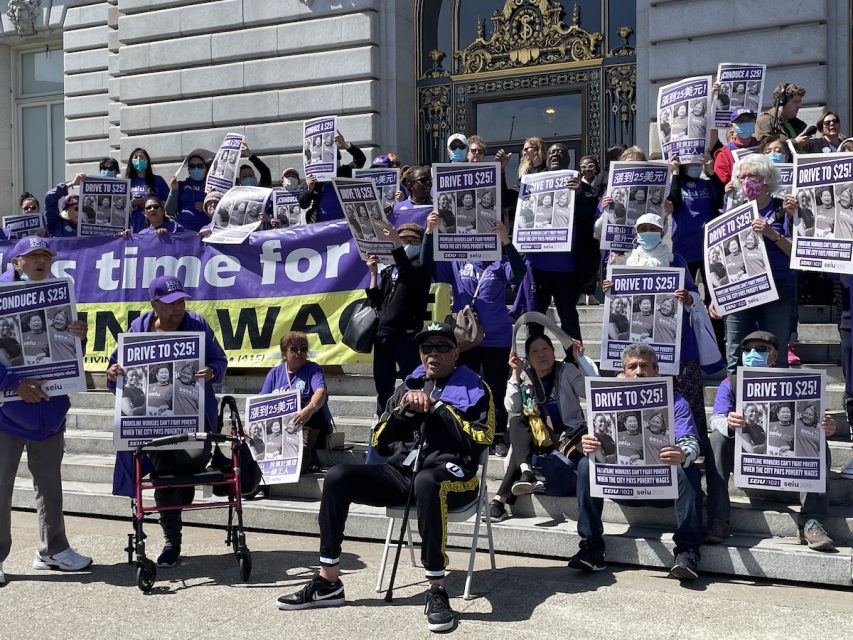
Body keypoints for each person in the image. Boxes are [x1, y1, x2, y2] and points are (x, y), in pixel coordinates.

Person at [276, 321, 494, 634]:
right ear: (419, 354)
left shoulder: (476, 387)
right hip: (403, 472)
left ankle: (436, 589)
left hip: (455, 475)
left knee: (427, 481)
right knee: (338, 476)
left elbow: (481, 439)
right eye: (427, 348)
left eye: (442, 347)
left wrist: (439, 410)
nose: (433, 353)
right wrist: (402, 412)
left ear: (455, 352)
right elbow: (379, 442)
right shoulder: (407, 386)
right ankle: (328, 581)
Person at [106, 275, 227, 568]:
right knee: (166, 476)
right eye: (171, 304)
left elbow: (219, 361)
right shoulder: (137, 329)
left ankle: (177, 502)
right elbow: (114, 372)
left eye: (182, 302)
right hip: (153, 426)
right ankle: (172, 541)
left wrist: (211, 371)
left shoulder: (197, 324)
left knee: (182, 474)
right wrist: (114, 373)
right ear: (154, 304)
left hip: (194, 421)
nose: (178, 309)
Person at [0, 237, 92, 586]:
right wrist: (11, 382)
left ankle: (52, 550)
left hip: (50, 408)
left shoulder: (61, 295)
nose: (40, 260)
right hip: (8, 410)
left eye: (45, 255)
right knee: (0, 486)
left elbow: (71, 355)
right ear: (16, 262)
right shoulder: (1, 297)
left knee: (50, 485)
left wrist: (79, 336)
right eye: (32, 256)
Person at [569, 342, 703, 580]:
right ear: (623, 371)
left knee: (689, 468)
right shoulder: (606, 399)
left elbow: (691, 440)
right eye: (632, 366)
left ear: (656, 371)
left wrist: (682, 452)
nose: (638, 372)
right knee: (584, 464)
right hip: (621, 485)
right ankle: (591, 547)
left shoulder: (676, 401)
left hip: (663, 489)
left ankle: (687, 551)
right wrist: (587, 445)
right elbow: (596, 442)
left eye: (644, 366)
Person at [706, 330, 837, 551]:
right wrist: (727, 422)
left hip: (787, 461)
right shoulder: (731, 383)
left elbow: (812, 420)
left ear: (775, 357)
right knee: (717, 438)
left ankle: (812, 520)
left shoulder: (795, 383)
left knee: (818, 441)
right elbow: (715, 419)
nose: (752, 354)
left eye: (760, 350)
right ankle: (718, 519)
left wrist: (827, 426)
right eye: (747, 350)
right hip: (748, 456)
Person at [422, 212, 524, 457]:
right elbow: (427, 266)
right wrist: (429, 232)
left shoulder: (499, 261)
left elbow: (519, 275)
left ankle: (497, 435)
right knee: (465, 386)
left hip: (497, 337)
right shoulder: (457, 260)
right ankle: (466, 431)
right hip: (465, 339)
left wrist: (506, 241)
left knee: (495, 388)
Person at [486, 334, 585, 522]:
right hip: (539, 436)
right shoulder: (525, 375)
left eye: (545, 349)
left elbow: (588, 391)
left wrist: (582, 362)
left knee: (519, 442)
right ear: (528, 358)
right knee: (517, 421)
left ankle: (501, 499)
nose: (541, 355)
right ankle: (526, 473)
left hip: (568, 436)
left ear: (553, 351)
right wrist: (515, 373)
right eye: (535, 352)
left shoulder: (567, 370)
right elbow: (512, 407)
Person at [714, 154, 798, 375]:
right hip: (740, 290)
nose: (746, 181)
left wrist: (772, 234)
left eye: (752, 176)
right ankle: (734, 406)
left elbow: (796, 253)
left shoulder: (783, 210)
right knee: (736, 355)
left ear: (767, 178)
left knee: (776, 355)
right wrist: (717, 293)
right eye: (742, 177)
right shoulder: (734, 213)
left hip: (778, 287)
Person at [366, 223, 431, 415]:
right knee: (383, 384)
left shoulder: (421, 267)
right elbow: (376, 301)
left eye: (413, 241)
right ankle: (382, 420)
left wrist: (395, 244)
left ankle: (410, 421)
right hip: (384, 335)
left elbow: (407, 271)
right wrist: (373, 272)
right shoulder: (390, 270)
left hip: (407, 335)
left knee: (412, 381)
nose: (408, 244)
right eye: (404, 241)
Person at [260, 331, 332, 472]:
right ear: (284, 353)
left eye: (303, 349)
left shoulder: (313, 369)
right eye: (294, 349)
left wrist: (309, 409)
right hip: (279, 425)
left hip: (306, 421)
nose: (299, 352)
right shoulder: (275, 373)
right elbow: (262, 398)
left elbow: (320, 392)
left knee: (298, 462)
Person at [299, 131, 367, 222]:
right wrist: (309, 190)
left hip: (343, 228)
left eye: (334, 159)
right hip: (320, 229)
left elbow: (361, 160)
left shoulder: (344, 172)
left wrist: (345, 144)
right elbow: (303, 204)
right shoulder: (313, 179)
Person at [125, 147, 170, 233]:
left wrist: (149, 204)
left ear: (147, 161)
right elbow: (121, 208)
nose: (139, 159)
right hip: (136, 225)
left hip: (157, 227)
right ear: (131, 162)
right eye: (135, 157)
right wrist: (133, 204)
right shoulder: (128, 182)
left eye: (142, 157)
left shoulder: (158, 180)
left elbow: (168, 204)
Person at [713, 108, 759, 185]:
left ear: (754, 123)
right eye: (741, 121)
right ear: (732, 126)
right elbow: (721, 184)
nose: (746, 123)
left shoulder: (763, 147)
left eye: (749, 120)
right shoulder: (724, 154)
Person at [166, 152, 210, 232]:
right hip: (185, 231)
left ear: (205, 168)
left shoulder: (212, 186)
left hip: (206, 231)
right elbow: (169, 211)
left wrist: (207, 206)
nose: (196, 169)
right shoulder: (181, 185)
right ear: (189, 170)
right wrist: (174, 190)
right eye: (192, 166)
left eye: (199, 166)